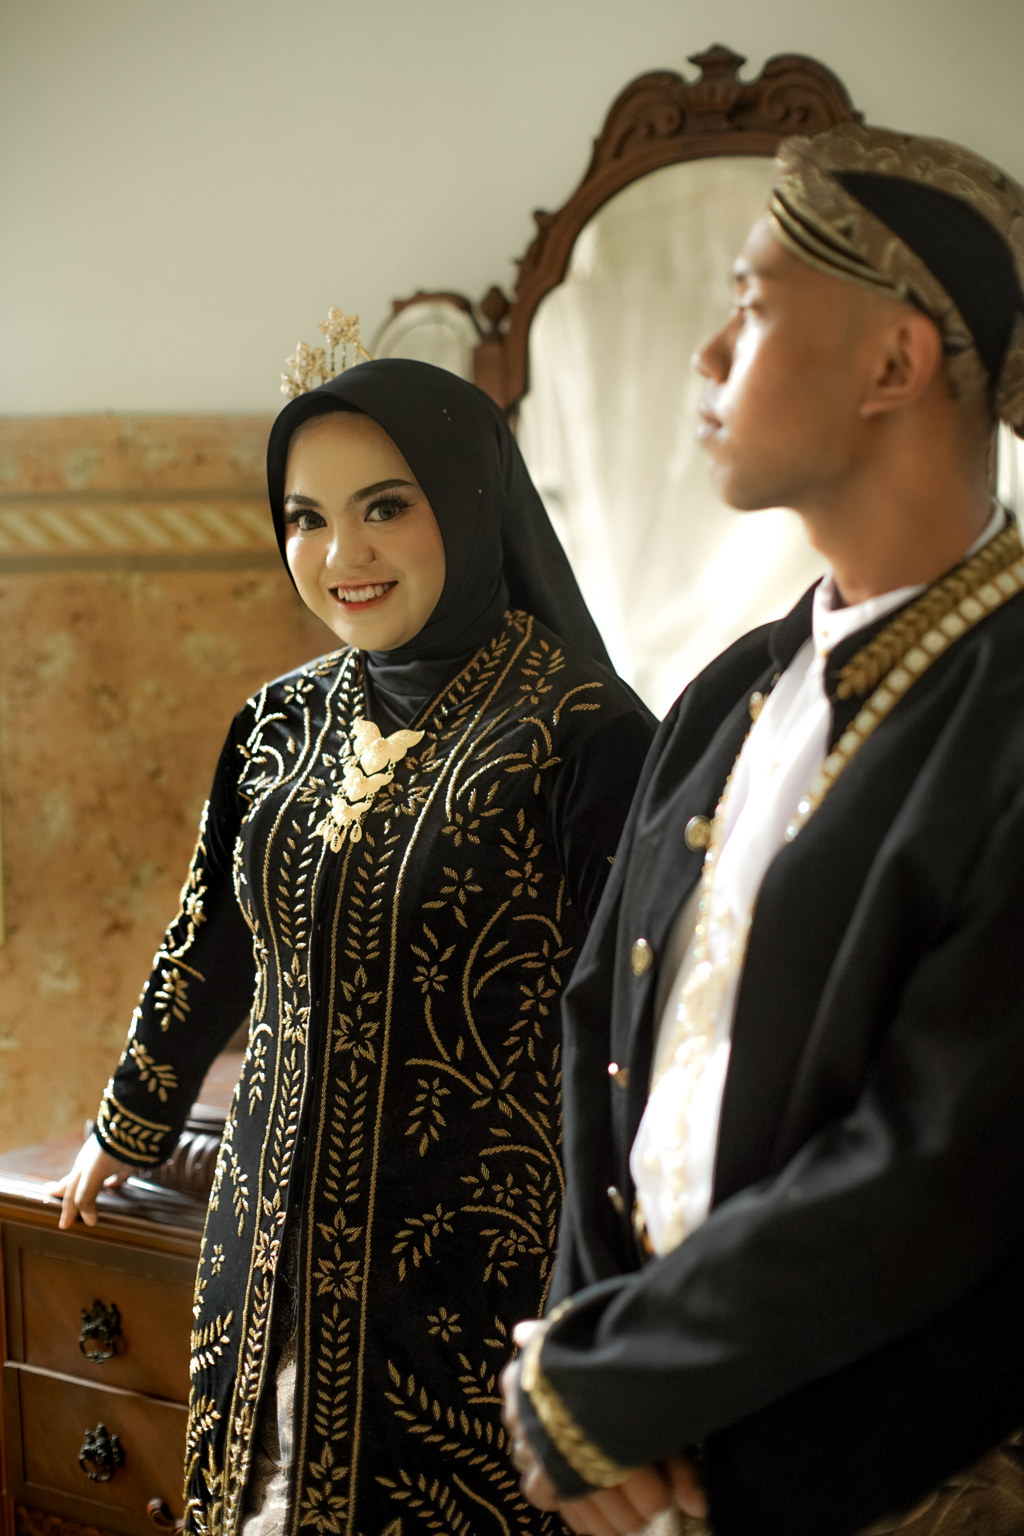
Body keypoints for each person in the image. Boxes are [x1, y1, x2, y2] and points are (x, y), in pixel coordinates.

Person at [501, 121, 1024, 1536]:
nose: (708, 352)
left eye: (751, 304)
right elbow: (601, 1034)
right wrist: (583, 1365)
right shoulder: (727, 694)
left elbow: (941, 1162)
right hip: (666, 1472)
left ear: (892, 363)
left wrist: (607, 1389)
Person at [51, 354, 656, 1536]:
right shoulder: (277, 722)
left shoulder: (582, 732)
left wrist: (615, 1295)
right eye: (306, 518)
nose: (342, 555)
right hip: (261, 1244)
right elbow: (212, 938)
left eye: (384, 506)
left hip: (475, 1275)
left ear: (468, 501)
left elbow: (632, 1036)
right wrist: (129, 1119)